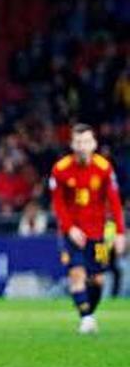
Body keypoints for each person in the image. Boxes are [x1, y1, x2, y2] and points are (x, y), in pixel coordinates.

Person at [49, 123, 125, 334]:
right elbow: (58, 204)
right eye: (78, 142)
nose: (82, 146)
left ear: (94, 144)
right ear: (72, 144)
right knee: (77, 273)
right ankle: (86, 318)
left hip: (99, 235)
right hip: (72, 234)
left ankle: (87, 310)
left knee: (98, 279)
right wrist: (70, 228)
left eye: (86, 142)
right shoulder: (61, 170)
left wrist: (119, 232)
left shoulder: (104, 168)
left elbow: (115, 202)